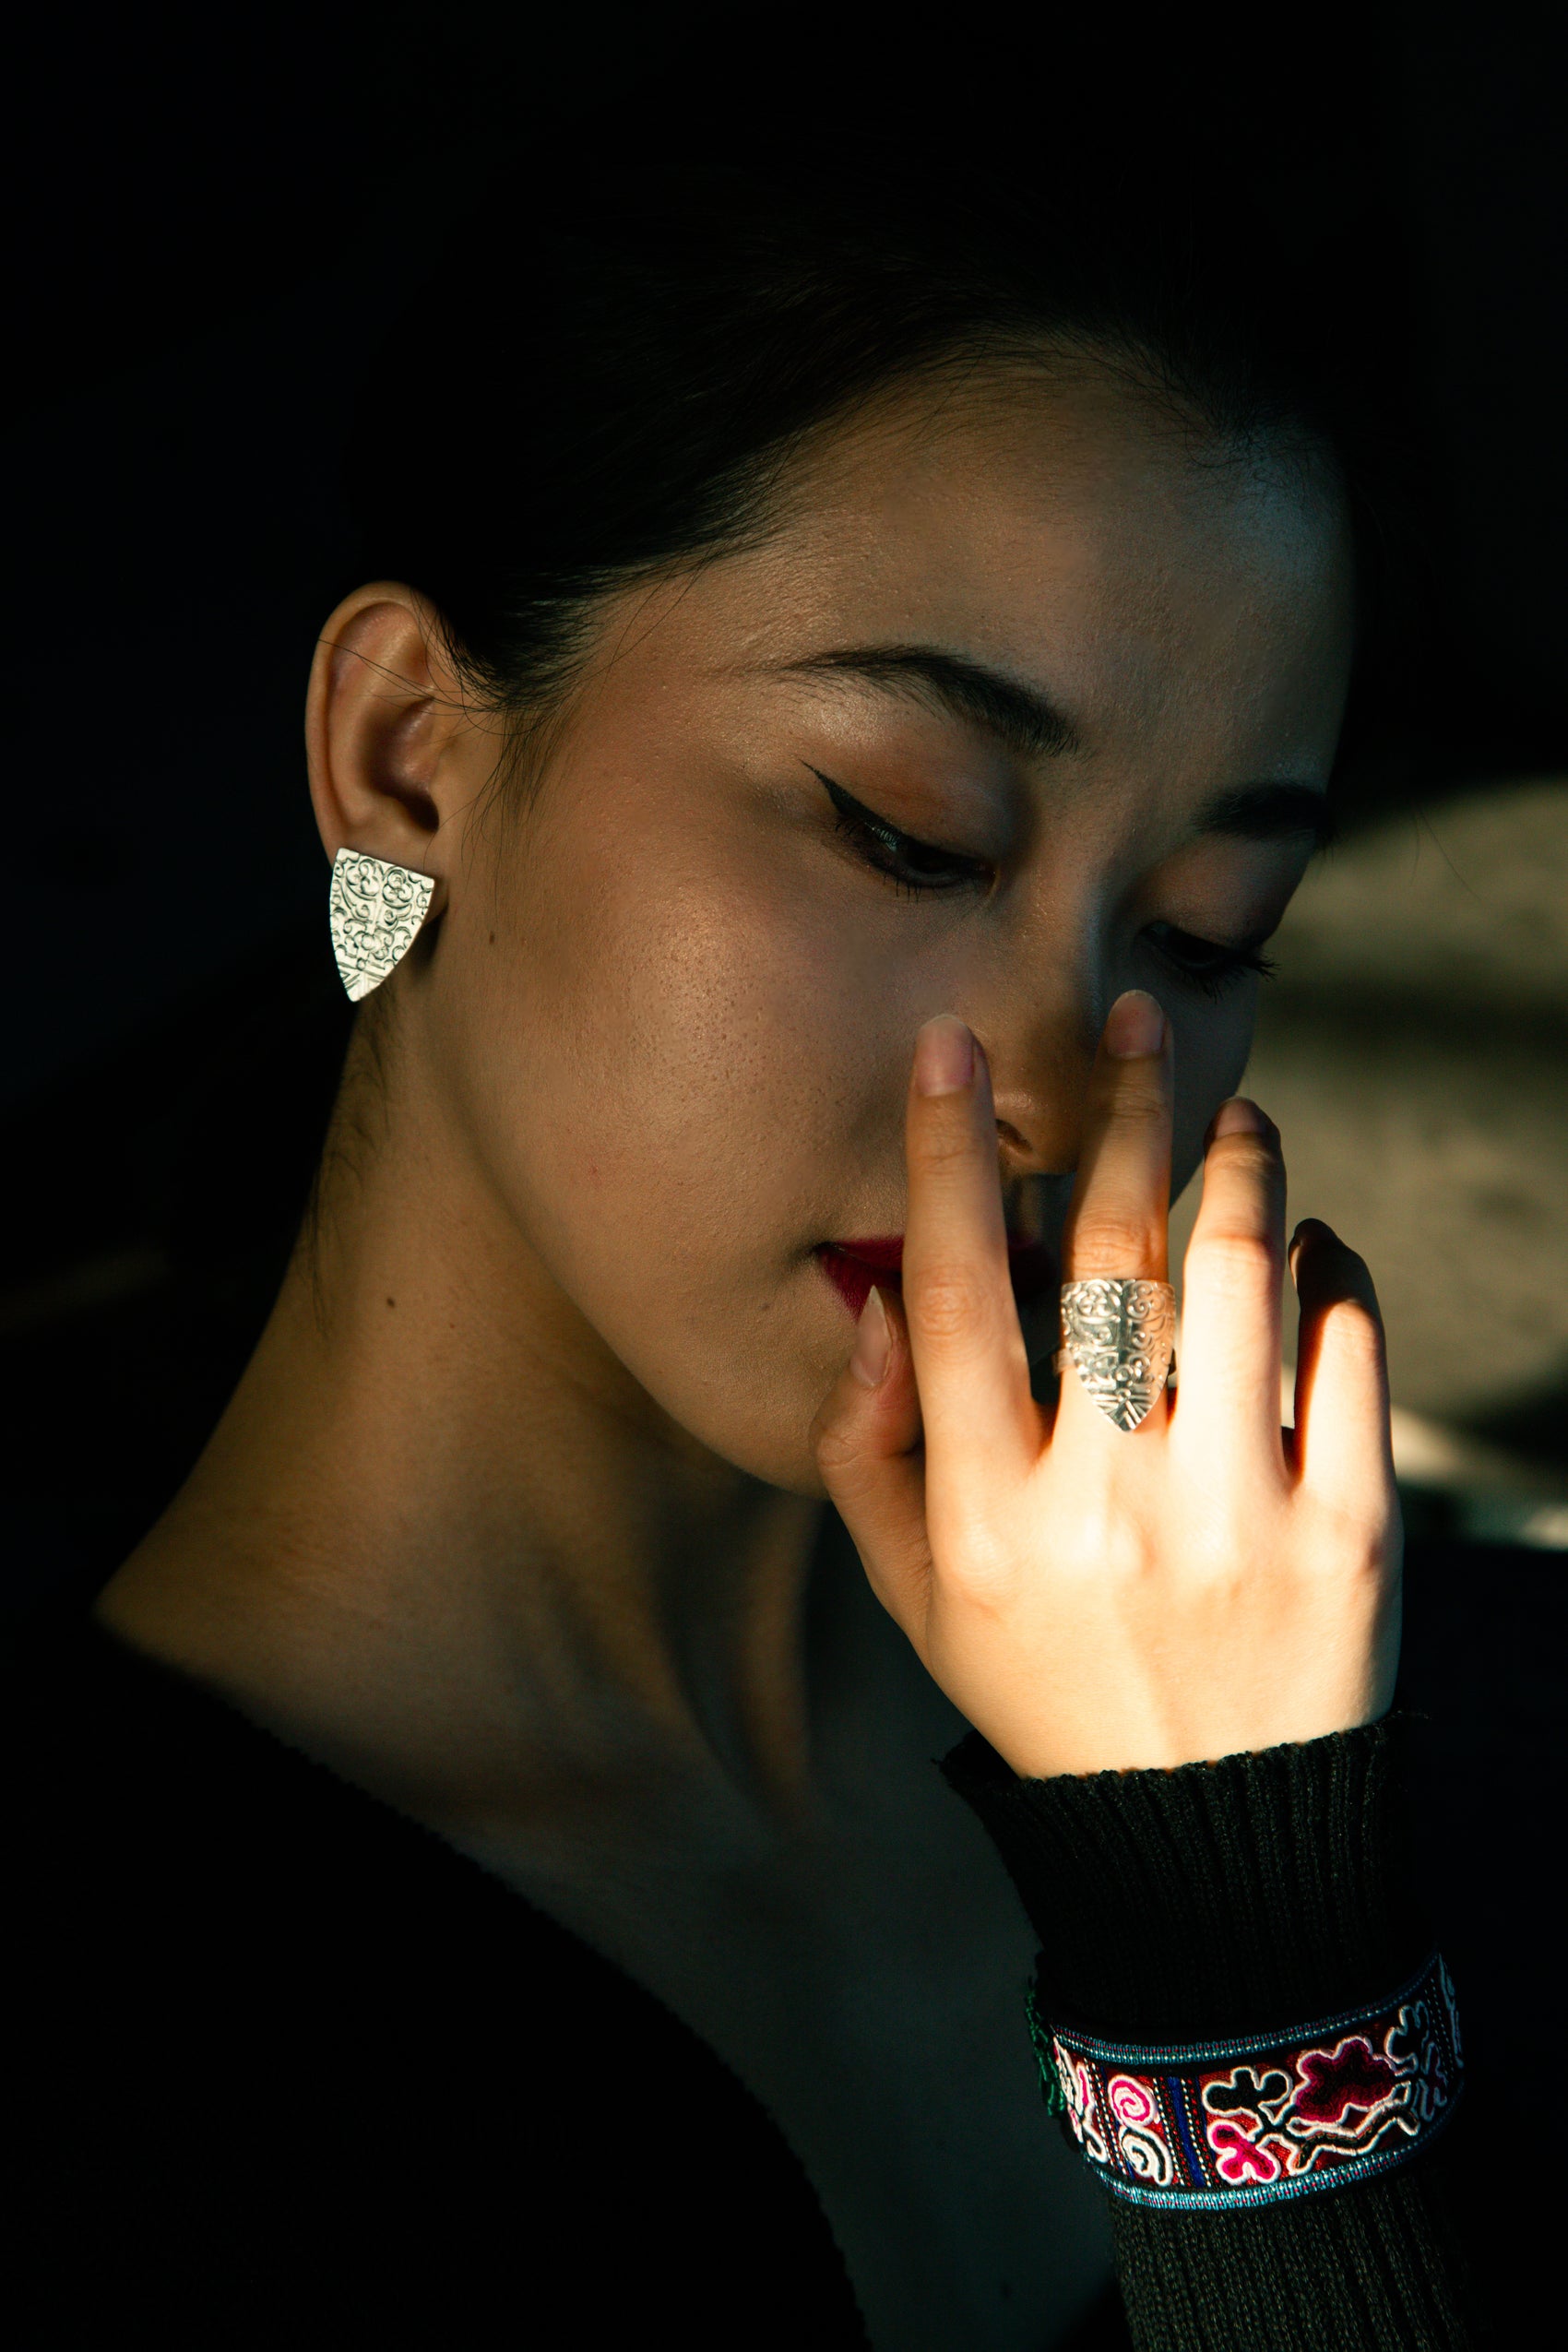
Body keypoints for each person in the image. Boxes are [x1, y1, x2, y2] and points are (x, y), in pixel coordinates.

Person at [6, 138, 1475, 2348]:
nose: (1073, 1088)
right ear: (408, 758)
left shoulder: (1302, 1678)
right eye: (907, 834)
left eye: (1203, 930)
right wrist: (1235, 1962)